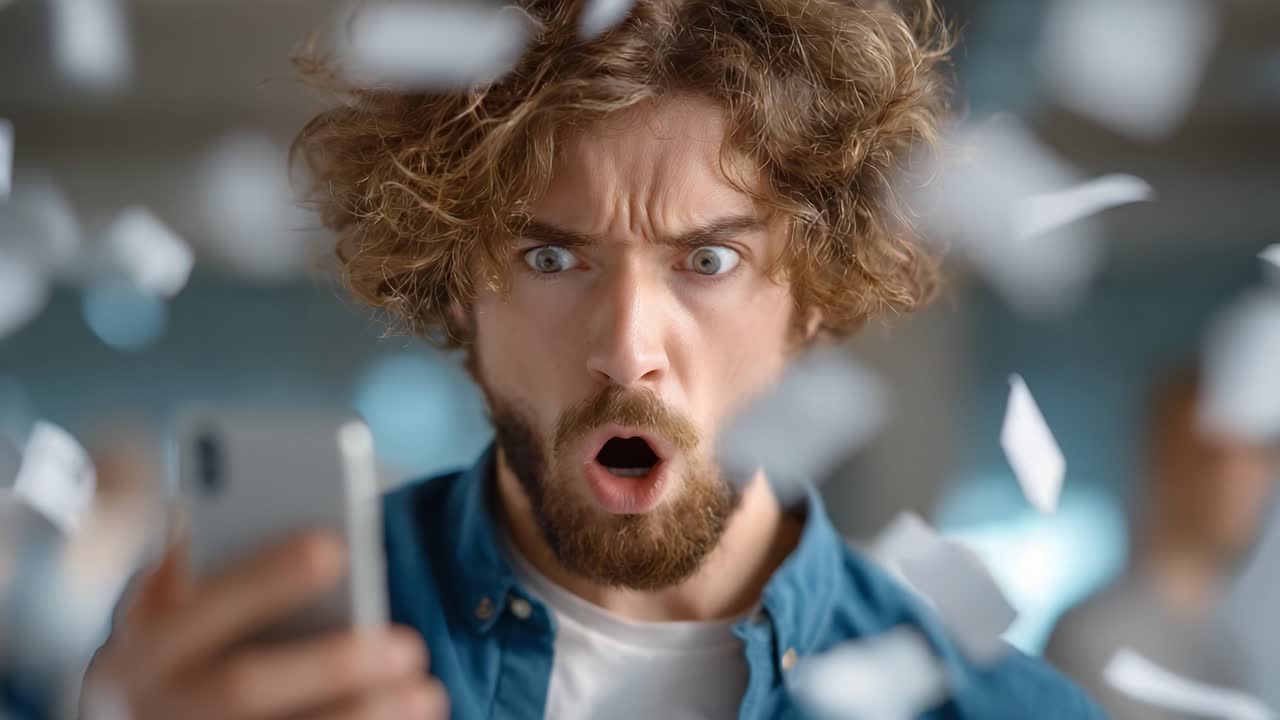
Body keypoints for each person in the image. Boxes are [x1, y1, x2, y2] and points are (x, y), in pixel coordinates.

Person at [87, 1, 1103, 718]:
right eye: (548, 256)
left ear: (812, 299)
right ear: (456, 287)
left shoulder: (1002, 712)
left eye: (707, 259)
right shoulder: (249, 667)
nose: (625, 350)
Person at [1045, 366, 1279, 718]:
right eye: (1212, 452)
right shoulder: (1099, 641)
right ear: (1166, 459)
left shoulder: (1232, 644)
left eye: (1259, 454)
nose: (1241, 476)